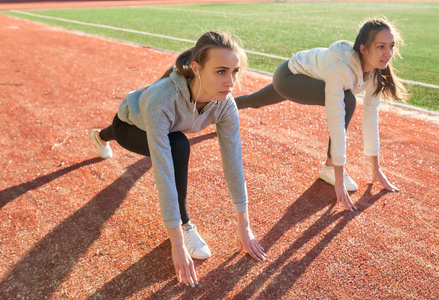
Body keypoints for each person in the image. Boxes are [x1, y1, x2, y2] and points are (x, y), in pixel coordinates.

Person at [89, 31, 266, 287]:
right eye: (220, 71)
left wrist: (244, 226)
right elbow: (163, 173)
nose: (230, 82)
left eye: (235, 71)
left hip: (161, 122)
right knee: (177, 145)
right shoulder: (163, 100)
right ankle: (185, 224)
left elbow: (233, 163)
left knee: (174, 140)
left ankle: (101, 136)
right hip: (132, 123)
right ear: (196, 68)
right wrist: (178, 243)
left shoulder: (225, 104)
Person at [235, 18, 409, 211]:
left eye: (391, 46)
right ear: (363, 49)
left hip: (308, 79)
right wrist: (338, 176)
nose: (388, 53)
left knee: (256, 101)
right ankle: (328, 168)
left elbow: (371, 118)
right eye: (381, 46)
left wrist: (375, 169)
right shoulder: (341, 69)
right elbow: (336, 118)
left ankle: (224, 107)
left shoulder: (377, 73)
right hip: (289, 77)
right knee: (347, 100)